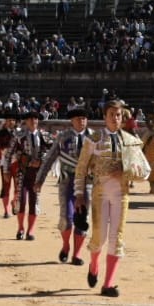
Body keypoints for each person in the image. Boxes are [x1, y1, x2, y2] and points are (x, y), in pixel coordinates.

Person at [74, 100, 142, 297]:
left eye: (118, 115)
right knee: (99, 237)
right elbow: (81, 169)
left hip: (122, 194)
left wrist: (127, 171)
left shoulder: (130, 141)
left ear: (122, 117)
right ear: (105, 117)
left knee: (117, 238)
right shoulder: (94, 139)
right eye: (111, 114)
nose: (115, 118)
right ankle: (94, 265)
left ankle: (108, 284)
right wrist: (79, 195)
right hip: (100, 193)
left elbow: (144, 172)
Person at [35, 106, 94, 264]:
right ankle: (66, 245)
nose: (81, 121)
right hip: (67, 182)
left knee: (82, 219)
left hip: (87, 183)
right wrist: (39, 180)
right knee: (66, 218)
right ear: (72, 121)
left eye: (84, 118)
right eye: (78, 119)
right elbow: (49, 159)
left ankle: (77, 254)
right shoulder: (63, 137)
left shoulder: (94, 138)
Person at [6, 111, 54, 240]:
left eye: (35, 119)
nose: (33, 121)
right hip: (23, 172)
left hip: (37, 175)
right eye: (30, 119)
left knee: (34, 201)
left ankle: (30, 231)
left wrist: (41, 160)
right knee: (21, 201)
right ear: (26, 122)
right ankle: (21, 228)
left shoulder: (45, 135)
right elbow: (9, 153)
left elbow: (52, 152)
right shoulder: (18, 135)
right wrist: (6, 170)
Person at [0, 114, 19, 217]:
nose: (11, 122)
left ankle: (14, 202)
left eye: (13, 120)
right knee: (6, 187)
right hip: (5, 162)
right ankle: (6, 211)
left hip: (17, 163)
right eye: (9, 120)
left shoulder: (18, 132)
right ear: (5, 121)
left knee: (18, 187)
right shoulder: (1, 134)